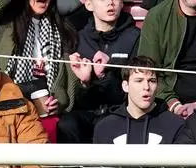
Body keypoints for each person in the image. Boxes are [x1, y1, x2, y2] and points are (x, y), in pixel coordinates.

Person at [0, 0, 79, 126]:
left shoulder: (61, 29)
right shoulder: (3, 25)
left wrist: (56, 103)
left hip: (44, 108)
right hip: (8, 104)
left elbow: (67, 82)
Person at [59, 0, 141, 144]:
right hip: (86, 109)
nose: (111, 3)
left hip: (119, 110)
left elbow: (134, 89)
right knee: (67, 124)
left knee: (107, 125)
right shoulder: (77, 38)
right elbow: (74, 98)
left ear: (122, 3)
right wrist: (85, 82)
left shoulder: (135, 37)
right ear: (89, 5)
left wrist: (105, 74)